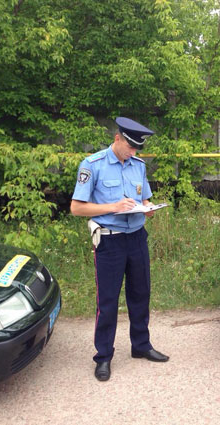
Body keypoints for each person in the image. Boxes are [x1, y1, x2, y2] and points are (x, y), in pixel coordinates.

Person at [71, 116, 169, 382]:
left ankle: (141, 346)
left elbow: (144, 197)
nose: (133, 152)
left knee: (140, 294)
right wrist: (112, 207)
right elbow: (77, 207)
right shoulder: (92, 165)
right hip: (109, 241)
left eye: (137, 148)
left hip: (136, 237)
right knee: (108, 301)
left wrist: (148, 208)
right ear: (117, 139)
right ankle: (103, 357)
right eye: (130, 147)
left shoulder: (138, 165)